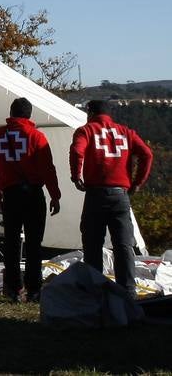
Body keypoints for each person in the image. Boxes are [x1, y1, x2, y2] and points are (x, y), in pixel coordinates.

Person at [70, 99, 153, 300]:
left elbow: (77, 151)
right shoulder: (126, 132)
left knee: (92, 243)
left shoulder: (86, 131)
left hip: (95, 194)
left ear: (90, 113)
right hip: (120, 195)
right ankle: (128, 291)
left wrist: (76, 176)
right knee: (123, 245)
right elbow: (147, 155)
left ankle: (94, 289)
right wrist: (137, 182)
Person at [0, 97, 61, 302]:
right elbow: (48, 168)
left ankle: (14, 289)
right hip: (33, 194)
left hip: (10, 194)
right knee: (34, 243)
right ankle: (34, 289)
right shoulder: (36, 136)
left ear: (11, 113)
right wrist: (55, 195)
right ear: (29, 115)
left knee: (11, 242)